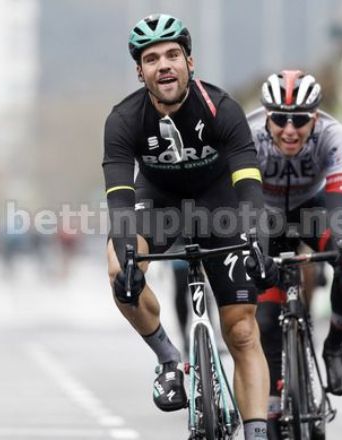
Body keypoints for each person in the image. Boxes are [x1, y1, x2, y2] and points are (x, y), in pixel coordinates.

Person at [102, 14, 279, 439]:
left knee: (240, 330)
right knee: (116, 265)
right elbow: (120, 201)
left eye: (172, 55)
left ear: (189, 62)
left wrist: (258, 237)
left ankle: (255, 432)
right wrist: (128, 260)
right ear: (140, 71)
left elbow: (249, 183)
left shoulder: (223, 108)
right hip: (158, 204)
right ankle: (167, 358)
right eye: (152, 59)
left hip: (220, 207)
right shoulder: (124, 119)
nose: (163, 65)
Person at [247, 70, 342, 437]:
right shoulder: (247, 135)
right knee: (265, 318)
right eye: (280, 119)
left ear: (315, 117)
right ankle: (272, 399)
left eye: (299, 120)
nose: (289, 129)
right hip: (263, 214)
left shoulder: (333, 135)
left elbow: (339, 204)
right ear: (266, 115)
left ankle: (333, 346)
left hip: (313, 209)